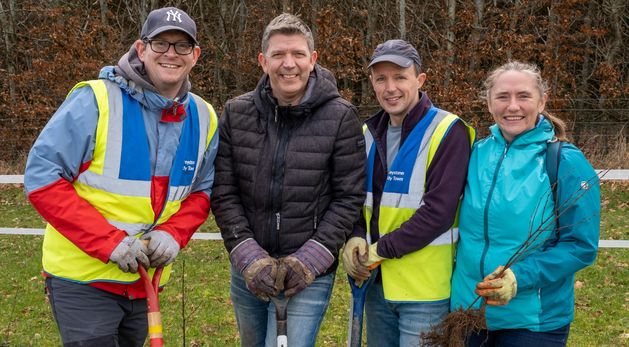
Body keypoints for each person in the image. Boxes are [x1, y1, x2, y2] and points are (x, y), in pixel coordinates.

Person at [24, 7, 218, 346]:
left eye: (182, 46)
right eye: (160, 43)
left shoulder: (204, 116)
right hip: (82, 281)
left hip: (145, 283)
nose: (171, 53)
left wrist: (174, 234)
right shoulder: (95, 101)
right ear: (141, 49)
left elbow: (203, 191)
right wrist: (108, 241)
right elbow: (43, 179)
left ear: (195, 56)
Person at [211, 12, 365, 347]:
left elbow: (349, 197)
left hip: (308, 274)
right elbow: (224, 191)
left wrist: (311, 259)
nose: (288, 64)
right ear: (263, 61)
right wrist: (247, 256)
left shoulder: (341, 117)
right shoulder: (237, 113)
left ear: (313, 59)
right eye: (278, 55)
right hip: (248, 269)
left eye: (297, 54)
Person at [450, 61, 600, 346]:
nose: (513, 106)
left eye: (524, 96)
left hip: (532, 323)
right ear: (489, 103)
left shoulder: (564, 162)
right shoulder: (475, 153)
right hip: (467, 314)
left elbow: (581, 245)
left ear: (542, 101)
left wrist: (520, 277)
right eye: (503, 97)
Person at [342, 39, 475, 346]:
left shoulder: (448, 130)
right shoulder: (367, 134)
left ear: (420, 79)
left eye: (400, 77)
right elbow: (358, 200)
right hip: (376, 285)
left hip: (424, 291)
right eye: (381, 79)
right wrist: (355, 235)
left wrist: (380, 250)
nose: (390, 88)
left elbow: (438, 212)